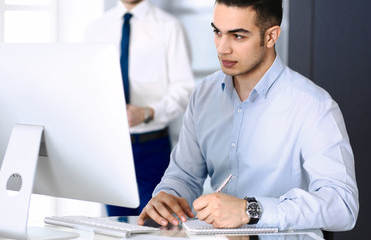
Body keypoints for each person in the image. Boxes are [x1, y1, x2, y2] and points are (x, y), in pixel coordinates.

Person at [137, 0, 359, 232]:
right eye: (217, 32)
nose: (222, 48)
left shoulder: (313, 106)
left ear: (271, 37)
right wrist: (167, 196)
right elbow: (184, 176)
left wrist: (250, 210)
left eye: (238, 36)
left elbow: (343, 206)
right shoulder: (204, 95)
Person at [84, 0, 195, 216]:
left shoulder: (169, 27)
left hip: (151, 148)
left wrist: (147, 112)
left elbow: (185, 90)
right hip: (110, 148)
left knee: (155, 225)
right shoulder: (96, 28)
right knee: (116, 225)